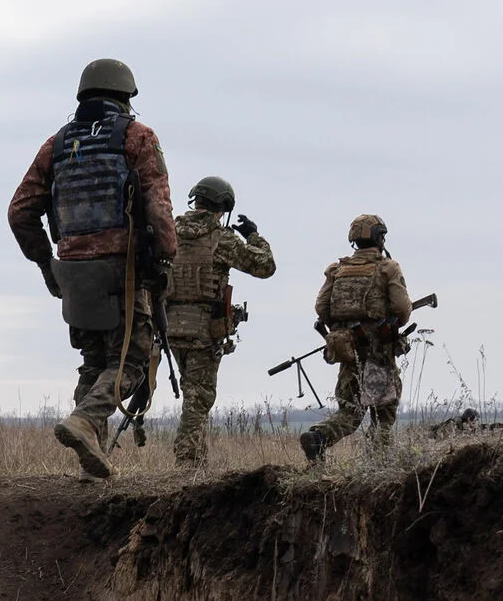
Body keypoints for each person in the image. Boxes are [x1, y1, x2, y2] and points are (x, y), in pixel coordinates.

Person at [8, 58, 176, 479]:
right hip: (123, 273)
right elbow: (158, 208)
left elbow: (20, 212)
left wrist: (48, 264)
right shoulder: (137, 137)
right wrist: (165, 258)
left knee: (94, 361)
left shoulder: (56, 145)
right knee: (131, 362)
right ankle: (84, 423)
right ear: (125, 97)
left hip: (74, 274)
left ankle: (91, 463)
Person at [166, 176, 276, 467]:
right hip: (203, 330)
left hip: (170, 327)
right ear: (223, 206)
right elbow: (265, 266)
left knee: (193, 393)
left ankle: (196, 468)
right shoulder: (221, 238)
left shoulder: (169, 234)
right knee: (199, 398)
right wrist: (254, 235)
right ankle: (186, 461)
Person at [300, 214, 412, 462]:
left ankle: (318, 437)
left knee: (350, 412)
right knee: (383, 412)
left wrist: (344, 330)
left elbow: (322, 309)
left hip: (348, 352)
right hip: (378, 354)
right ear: (380, 237)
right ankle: (378, 464)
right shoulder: (387, 268)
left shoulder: (336, 270)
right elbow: (402, 310)